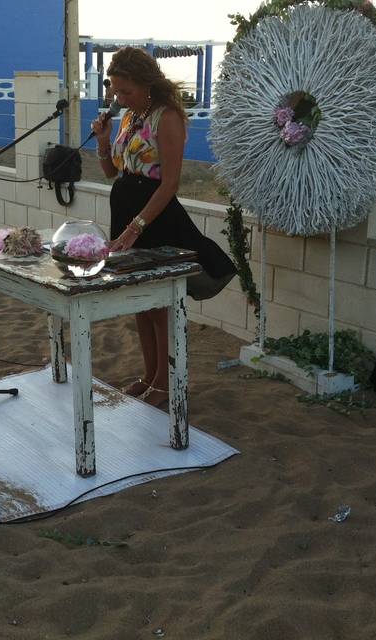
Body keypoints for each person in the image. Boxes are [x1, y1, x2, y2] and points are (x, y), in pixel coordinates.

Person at [91, 47, 237, 409]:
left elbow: (169, 184)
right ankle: (150, 374)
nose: (118, 98)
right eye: (115, 91)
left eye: (125, 91)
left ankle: (166, 381)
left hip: (154, 220)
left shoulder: (166, 117)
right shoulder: (129, 117)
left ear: (147, 84)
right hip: (128, 214)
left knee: (161, 305)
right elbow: (114, 173)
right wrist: (105, 141)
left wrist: (133, 230)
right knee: (142, 304)